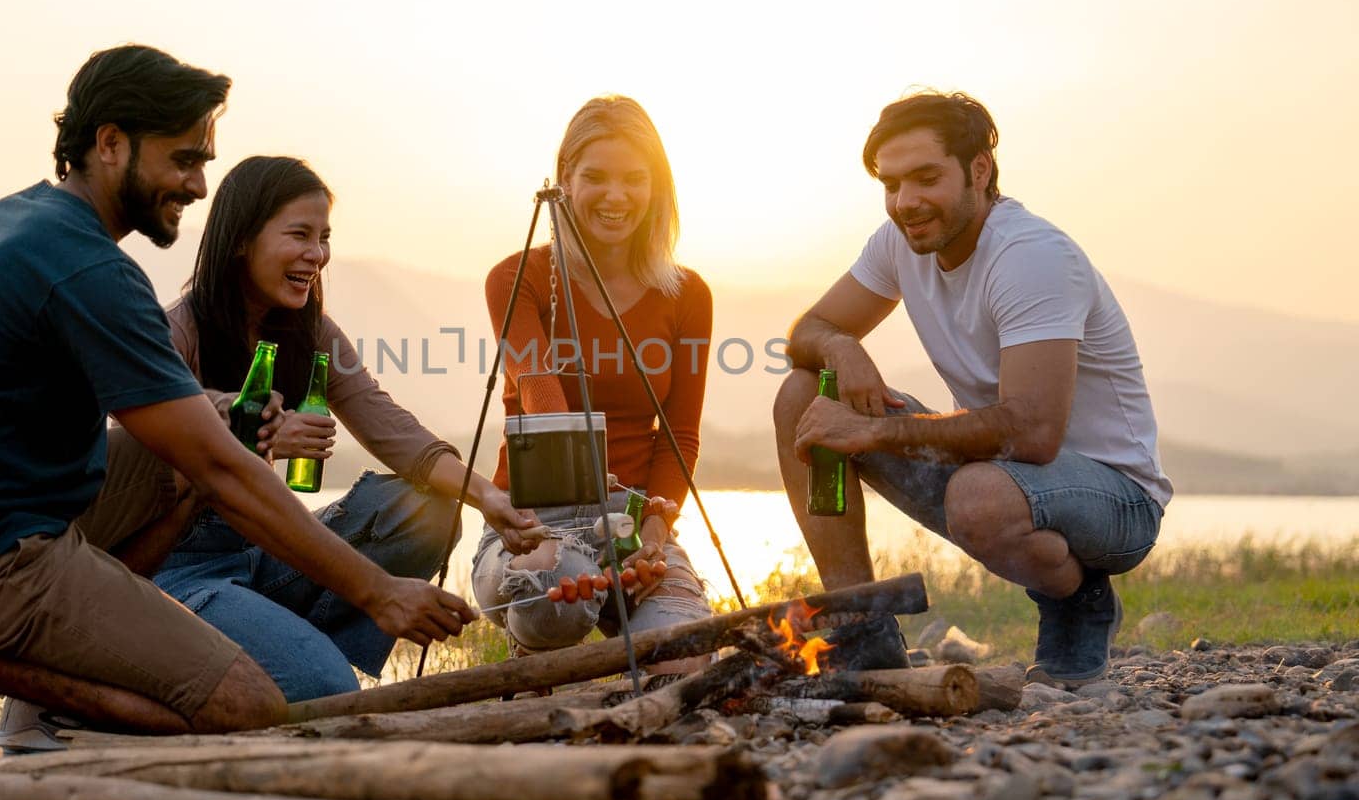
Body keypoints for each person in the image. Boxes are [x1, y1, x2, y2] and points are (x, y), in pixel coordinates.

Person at [0, 45, 474, 771]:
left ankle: (84, 659)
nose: (199, 183)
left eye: (205, 161)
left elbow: (199, 447)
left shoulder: (24, 219)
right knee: (251, 708)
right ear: (110, 143)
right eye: (184, 160)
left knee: (196, 444)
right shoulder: (93, 272)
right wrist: (379, 592)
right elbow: (221, 470)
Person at [105, 156, 543, 707]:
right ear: (241, 240)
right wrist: (258, 432)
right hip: (181, 574)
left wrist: (487, 497)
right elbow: (146, 430)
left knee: (428, 510)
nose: (317, 255)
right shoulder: (178, 331)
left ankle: (289, 641)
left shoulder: (309, 330)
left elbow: (387, 424)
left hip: (263, 554)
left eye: (325, 238)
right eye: (300, 235)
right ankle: (289, 659)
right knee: (323, 688)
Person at [773, 91, 1170, 687]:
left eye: (926, 178)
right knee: (801, 395)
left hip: (1116, 496)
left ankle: (1080, 597)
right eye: (891, 184)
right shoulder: (898, 241)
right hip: (994, 472)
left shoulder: (1029, 255)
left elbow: (1033, 433)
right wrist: (842, 346)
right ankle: (863, 625)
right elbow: (809, 331)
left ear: (978, 171)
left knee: (979, 498)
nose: (906, 202)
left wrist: (872, 431)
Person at [471, 96, 715, 671]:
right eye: (595, 178)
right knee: (558, 596)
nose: (616, 195)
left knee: (683, 659)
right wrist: (591, 517)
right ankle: (531, 646)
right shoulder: (518, 278)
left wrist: (653, 536)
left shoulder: (688, 295)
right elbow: (542, 393)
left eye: (635, 178)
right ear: (564, 182)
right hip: (532, 527)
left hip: (634, 525)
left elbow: (679, 435)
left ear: (658, 187)